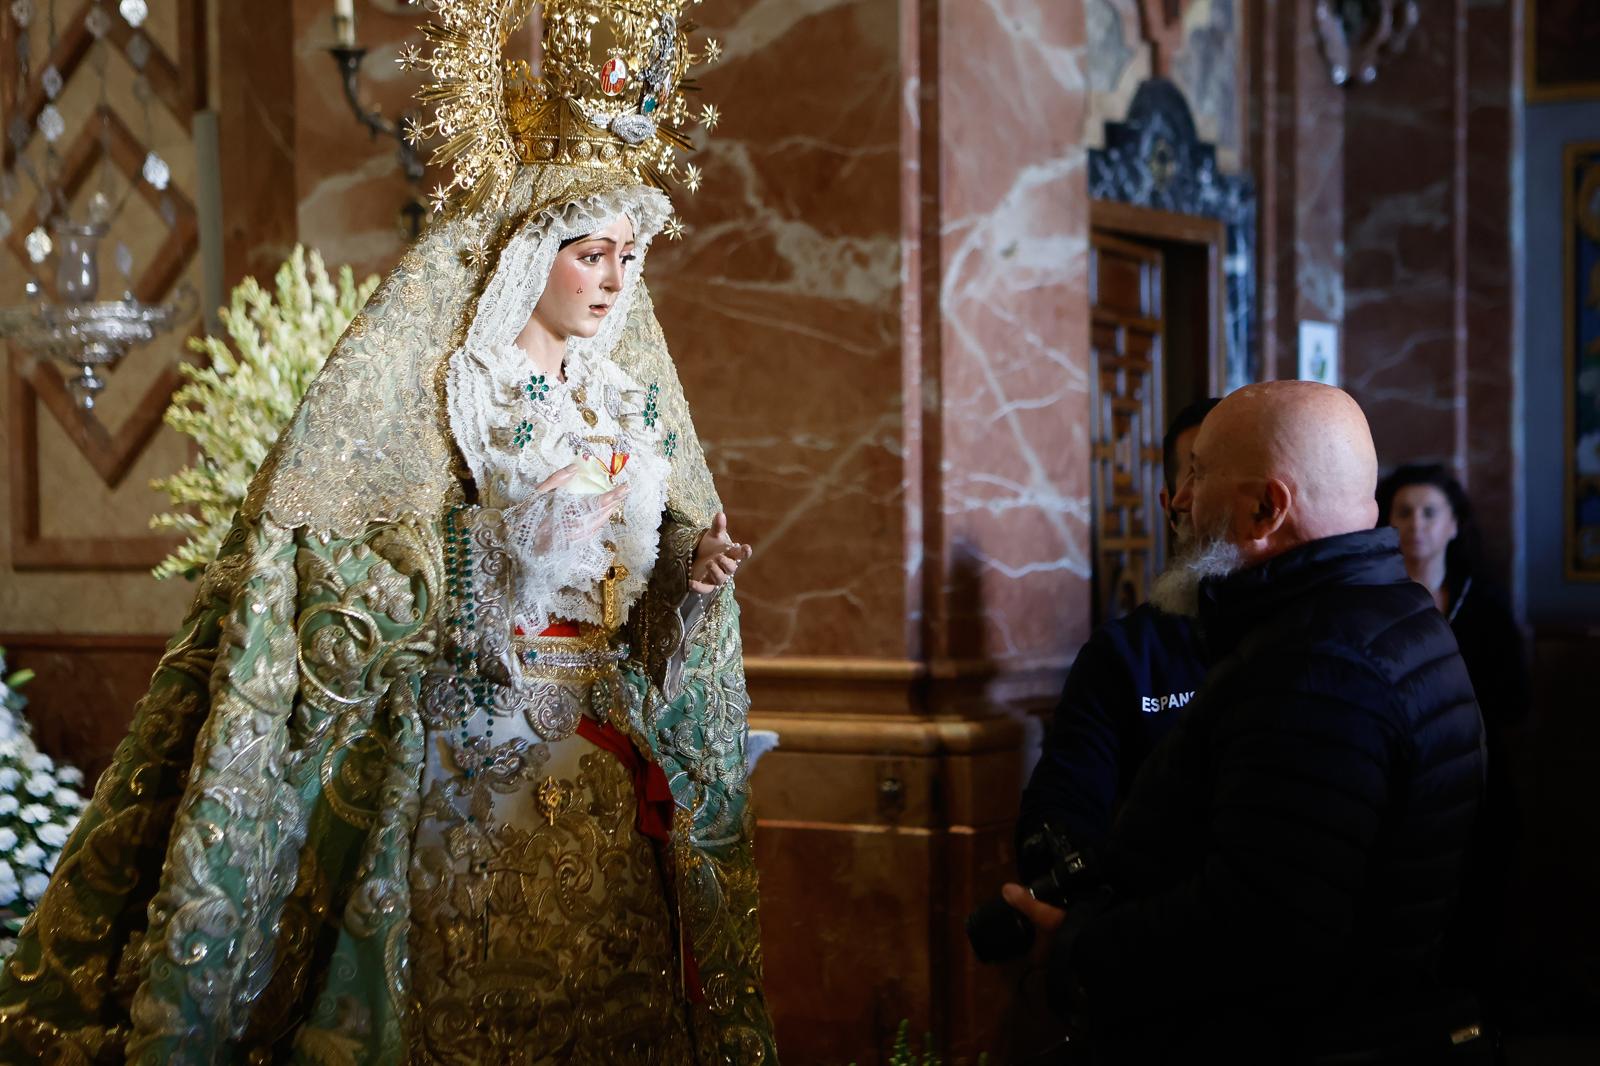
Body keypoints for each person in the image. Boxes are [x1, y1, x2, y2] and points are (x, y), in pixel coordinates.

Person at [0, 3, 778, 1062]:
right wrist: (499, 546)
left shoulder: (623, 405)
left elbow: (631, 610)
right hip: (479, 767)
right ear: (532, 254)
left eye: (627, 257)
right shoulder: (457, 391)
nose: (612, 280)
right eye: (590, 254)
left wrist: (692, 570)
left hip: (599, 763)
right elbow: (363, 566)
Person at [1005, 382, 1487, 1064]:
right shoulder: (1389, 616)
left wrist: (1079, 949)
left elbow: (1258, 923)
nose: (1176, 499)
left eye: (1198, 476)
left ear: (1266, 507)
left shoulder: (1318, 664)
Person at [1014, 398, 1218, 875]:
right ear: (1171, 505)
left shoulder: (1316, 630)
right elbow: (1064, 800)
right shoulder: (1125, 654)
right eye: (1192, 477)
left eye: (1216, 478)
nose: (1198, 499)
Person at [1379, 463, 1528, 1022]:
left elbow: (1515, 700)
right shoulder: (1373, 602)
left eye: (1428, 512)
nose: (1415, 524)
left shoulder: (1482, 606)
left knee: (1477, 920)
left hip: (1477, 786)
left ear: (1452, 526)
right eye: (1403, 512)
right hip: (1396, 789)